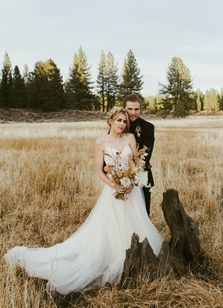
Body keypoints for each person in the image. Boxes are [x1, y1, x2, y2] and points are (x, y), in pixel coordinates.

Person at [3, 107, 163, 295]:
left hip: (132, 191)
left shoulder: (130, 139)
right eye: (118, 120)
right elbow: (100, 171)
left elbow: (136, 163)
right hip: (113, 191)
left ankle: (137, 254)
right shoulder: (100, 142)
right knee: (112, 226)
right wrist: (115, 184)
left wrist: (131, 180)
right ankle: (114, 256)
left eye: (124, 122)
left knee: (136, 223)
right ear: (110, 121)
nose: (121, 124)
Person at [123, 94, 155, 216]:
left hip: (141, 176)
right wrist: (119, 176)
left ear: (140, 109)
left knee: (142, 214)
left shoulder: (148, 127)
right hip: (119, 177)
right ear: (124, 108)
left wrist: (131, 177)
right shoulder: (118, 125)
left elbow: (146, 155)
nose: (133, 112)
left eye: (136, 109)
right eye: (129, 109)